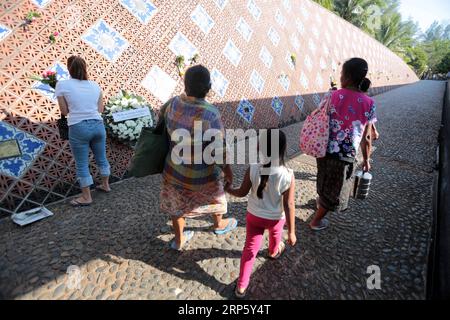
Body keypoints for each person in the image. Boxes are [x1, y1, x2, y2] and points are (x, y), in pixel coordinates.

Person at [159, 65, 237, 251]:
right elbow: (219, 150)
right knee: (215, 195)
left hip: (174, 171)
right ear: (208, 87)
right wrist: (228, 171)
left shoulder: (172, 103)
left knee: (176, 204)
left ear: (185, 85)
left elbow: (161, 126)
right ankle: (218, 225)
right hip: (202, 174)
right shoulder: (211, 113)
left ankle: (178, 241)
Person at [224, 129, 296, 298]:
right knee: (275, 236)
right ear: (283, 149)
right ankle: (273, 252)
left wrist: (229, 190)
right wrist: (292, 232)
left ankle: (241, 286)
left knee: (250, 249)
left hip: (254, 217)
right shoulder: (288, 175)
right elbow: (289, 204)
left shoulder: (253, 168)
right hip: (275, 220)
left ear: (259, 147)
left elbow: (242, 192)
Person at [309, 57, 377, 231]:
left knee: (323, 177)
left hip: (323, 149)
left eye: (341, 73)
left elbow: (320, 117)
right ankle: (316, 221)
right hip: (344, 155)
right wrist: (367, 160)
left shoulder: (332, 95)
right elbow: (367, 138)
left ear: (346, 76)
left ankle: (320, 201)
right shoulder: (369, 103)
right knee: (335, 190)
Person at [56, 55, 111, 207]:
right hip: (98, 125)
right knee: (101, 157)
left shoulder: (62, 85)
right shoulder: (95, 86)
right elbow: (100, 109)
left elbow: (65, 111)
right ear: (85, 68)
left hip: (78, 127)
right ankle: (106, 185)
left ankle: (86, 197)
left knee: (82, 163)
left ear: (69, 68)